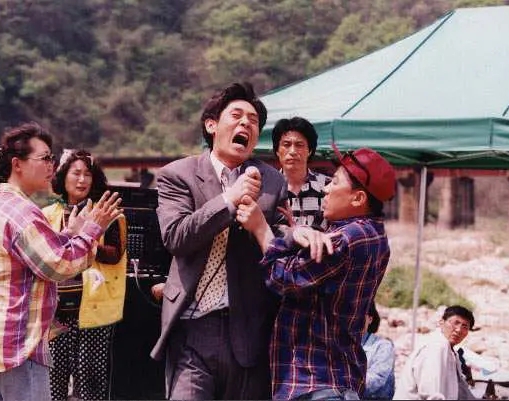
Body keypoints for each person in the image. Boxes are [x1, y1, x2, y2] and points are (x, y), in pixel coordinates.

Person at [150, 82, 288, 400]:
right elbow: (176, 237)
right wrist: (229, 200)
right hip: (193, 327)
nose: (246, 124)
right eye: (236, 116)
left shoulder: (272, 180)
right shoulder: (178, 175)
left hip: (249, 329)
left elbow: (280, 235)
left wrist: (301, 233)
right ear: (211, 125)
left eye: (253, 121)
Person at [0, 122, 122, 401]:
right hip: (16, 350)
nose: (52, 165)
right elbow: (59, 266)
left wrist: (69, 234)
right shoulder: (22, 212)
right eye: (45, 158)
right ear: (17, 164)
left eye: (52, 158)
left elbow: (38, 256)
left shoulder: (6, 206)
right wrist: (92, 230)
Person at [236, 144, 397, 400]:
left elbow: (282, 278)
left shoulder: (345, 240)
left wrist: (261, 228)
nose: (326, 189)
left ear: (358, 199)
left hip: (315, 381)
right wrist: (295, 235)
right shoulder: (374, 234)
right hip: (339, 377)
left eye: (335, 182)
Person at [42, 149, 127, 400]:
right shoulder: (47, 214)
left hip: (94, 307)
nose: (82, 180)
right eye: (76, 173)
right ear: (63, 177)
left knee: (90, 379)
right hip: (56, 309)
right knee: (54, 376)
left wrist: (84, 238)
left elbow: (115, 254)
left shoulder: (109, 212)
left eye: (87, 174)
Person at [394, 305, 477, 400]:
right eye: (455, 323)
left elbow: (461, 392)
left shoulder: (452, 352)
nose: (459, 330)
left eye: (464, 327)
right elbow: (431, 393)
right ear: (441, 322)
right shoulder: (437, 346)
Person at [271, 117, 331, 228]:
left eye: (299, 145)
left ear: (310, 151)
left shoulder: (329, 187)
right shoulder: (266, 189)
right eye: (286, 145)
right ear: (277, 150)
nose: (293, 151)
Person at [362, 302, 395, 400]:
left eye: (359, 316)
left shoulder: (383, 346)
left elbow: (377, 379)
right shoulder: (341, 344)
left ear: (370, 319)